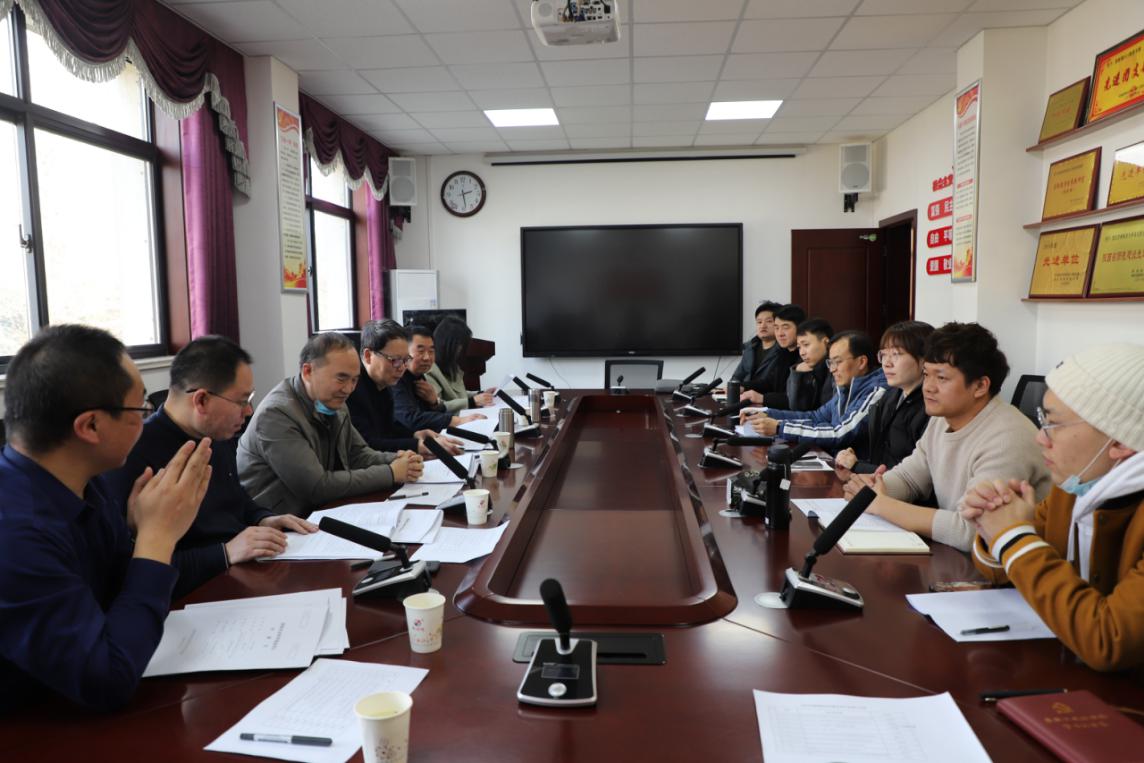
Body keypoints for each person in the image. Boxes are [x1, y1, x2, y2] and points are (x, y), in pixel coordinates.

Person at [0, 325, 212, 712]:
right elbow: (106, 680)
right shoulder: (16, 533)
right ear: (91, 426)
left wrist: (139, 533)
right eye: (140, 409)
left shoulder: (84, 482)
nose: (147, 419)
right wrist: (157, 538)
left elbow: (116, 591)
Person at [961, 344, 1144, 671]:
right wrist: (993, 529)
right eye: (1041, 420)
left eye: (1053, 424)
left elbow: (1109, 640)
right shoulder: (1077, 486)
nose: (1040, 439)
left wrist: (1014, 536)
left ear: (1119, 441)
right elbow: (1011, 569)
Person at [106, 336, 317, 597]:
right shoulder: (131, 456)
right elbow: (134, 571)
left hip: (240, 570)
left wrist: (264, 518)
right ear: (202, 400)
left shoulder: (216, 433)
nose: (249, 411)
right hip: (192, 592)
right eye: (242, 401)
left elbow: (235, 498)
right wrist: (225, 553)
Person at [843, 322, 1050, 552]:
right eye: (926, 374)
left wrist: (882, 505)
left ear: (980, 386)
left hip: (1008, 565)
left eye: (941, 378)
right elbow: (910, 478)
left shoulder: (1008, 438)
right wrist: (872, 488)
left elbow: (973, 531)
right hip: (959, 558)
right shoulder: (942, 419)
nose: (928, 387)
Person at [238, 332, 424, 517]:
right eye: (341, 378)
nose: (349, 389)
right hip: (280, 521)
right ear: (308, 372)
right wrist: (391, 473)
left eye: (354, 380)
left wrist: (397, 459)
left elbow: (357, 454)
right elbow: (316, 487)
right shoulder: (276, 414)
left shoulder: (334, 402)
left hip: (321, 511)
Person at [742, 330, 886, 452]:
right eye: (830, 362)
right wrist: (768, 414)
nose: (832, 369)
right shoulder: (846, 387)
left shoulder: (876, 390)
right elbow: (816, 417)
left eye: (838, 362)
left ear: (861, 362)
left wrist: (780, 427)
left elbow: (840, 433)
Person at [348, 320, 464, 455]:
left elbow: (389, 428)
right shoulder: (351, 389)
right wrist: (417, 445)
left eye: (406, 360)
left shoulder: (384, 382)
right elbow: (368, 444)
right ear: (368, 356)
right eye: (395, 360)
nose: (402, 368)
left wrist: (415, 434)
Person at [835, 320, 933, 477]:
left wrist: (858, 466)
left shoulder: (932, 407)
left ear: (924, 359)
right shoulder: (889, 396)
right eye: (884, 355)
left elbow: (918, 479)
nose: (886, 363)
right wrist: (854, 458)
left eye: (896, 354)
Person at [392, 325, 486, 433]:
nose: (427, 357)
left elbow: (432, 415)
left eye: (431, 351)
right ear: (404, 352)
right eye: (421, 351)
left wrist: (434, 403)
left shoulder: (419, 376)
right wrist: (457, 421)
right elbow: (411, 419)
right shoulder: (396, 378)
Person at [424, 316, 496, 414]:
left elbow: (459, 394)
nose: (461, 349)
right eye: (459, 344)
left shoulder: (451, 366)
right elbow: (439, 406)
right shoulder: (429, 370)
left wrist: (481, 394)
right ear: (448, 344)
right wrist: (472, 402)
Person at [741, 303, 805, 407]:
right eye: (776, 328)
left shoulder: (805, 357)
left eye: (785, 327)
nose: (780, 334)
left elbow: (796, 399)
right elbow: (769, 383)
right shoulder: (783, 353)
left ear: (800, 328)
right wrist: (742, 387)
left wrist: (763, 398)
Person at [782, 317, 834, 412]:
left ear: (826, 342)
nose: (802, 353)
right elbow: (795, 408)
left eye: (806, 345)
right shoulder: (804, 368)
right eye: (799, 347)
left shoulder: (836, 370)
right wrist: (798, 375)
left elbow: (825, 415)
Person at [730, 301, 783, 390]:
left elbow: (772, 383)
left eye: (769, 321)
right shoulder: (750, 348)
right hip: (744, 395)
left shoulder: (783, 350)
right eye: (759, 322)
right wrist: (732, 389)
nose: (763, 326)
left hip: (766, 396)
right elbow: (737, 376)